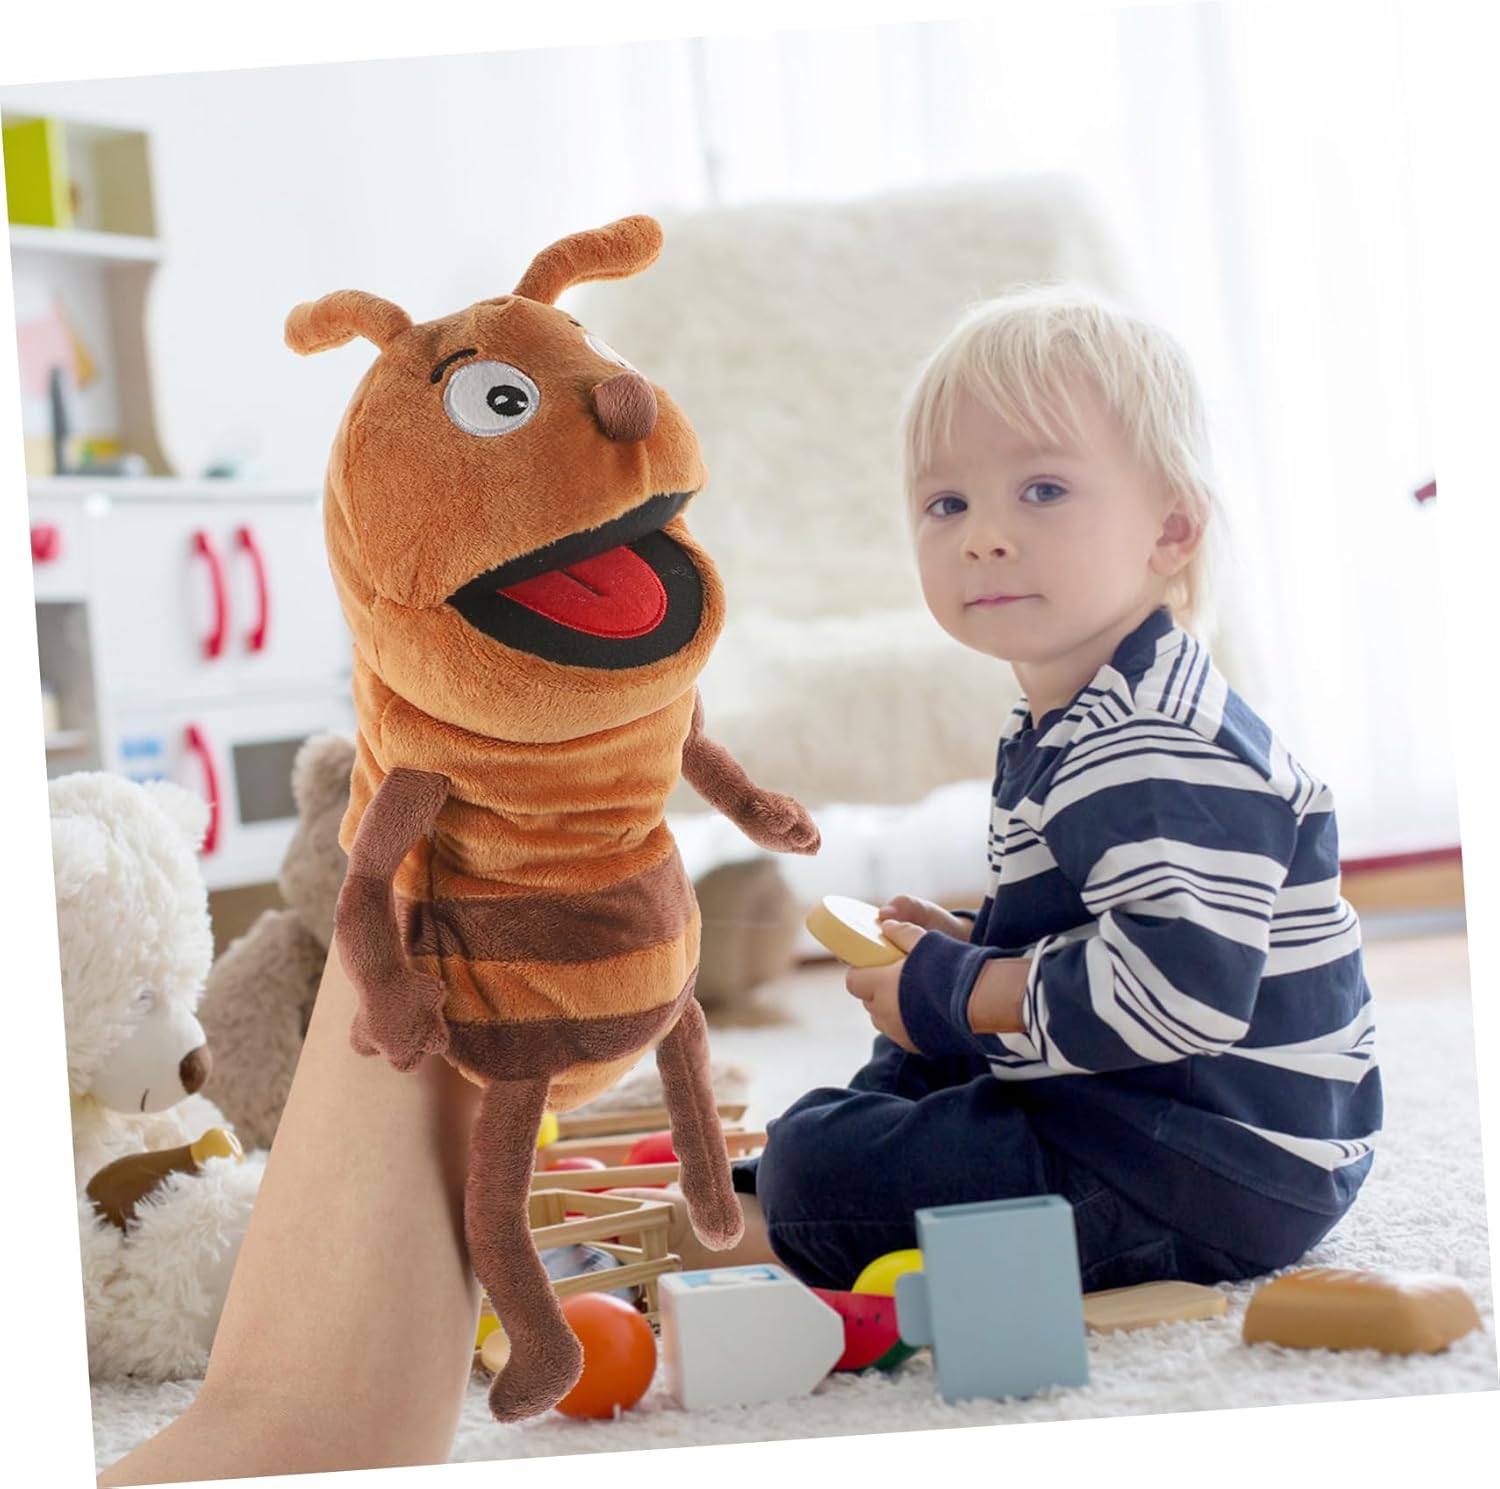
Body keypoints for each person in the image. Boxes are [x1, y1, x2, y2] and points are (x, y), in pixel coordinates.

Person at [632, 286, 1384, 1296]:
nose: (984, 535)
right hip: (1150, 1111)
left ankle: (798, 1212)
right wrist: (971, 947)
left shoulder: (1152, 745)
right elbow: (1099, 916)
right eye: (948, 504)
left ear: (1170, 530)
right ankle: (810, 1187)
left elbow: (1183, 994)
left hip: (1212, 1167)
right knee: (902, 1070)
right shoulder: (1077, 714)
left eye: (1042, 490)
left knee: (826, 1153)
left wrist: (963, 989)